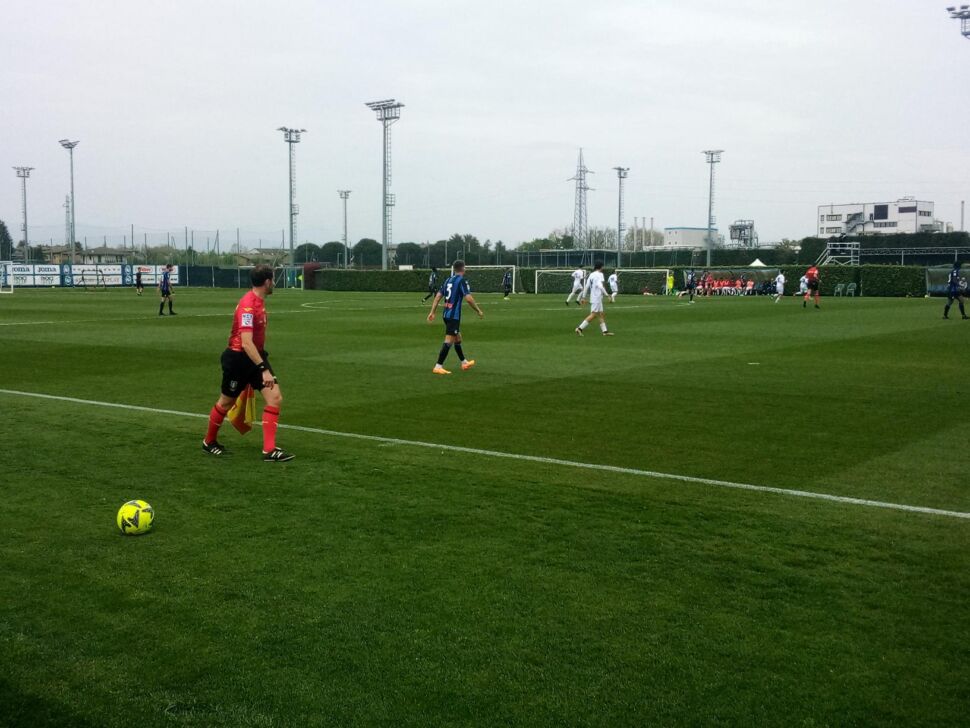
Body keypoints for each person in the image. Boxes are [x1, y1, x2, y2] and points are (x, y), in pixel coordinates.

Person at [202, 264, 294, 461]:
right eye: (274, 279)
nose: (274, 283)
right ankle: (209, 441)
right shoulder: (248, 305)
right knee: (226, 402)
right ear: (267, 282)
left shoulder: (259, 301)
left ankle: (269, 450)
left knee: (275, 397)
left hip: (256, 357)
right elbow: (245, 342)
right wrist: (263, 369)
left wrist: (261, 365)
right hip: (238, 359)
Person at [427, 260, 484, 374]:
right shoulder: (461, 281)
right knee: (448, 341)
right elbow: (468, 298)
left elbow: (438, 296)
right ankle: (438, 366)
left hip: (446, 314)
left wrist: (432, 312)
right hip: (453, 316)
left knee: (458, 338)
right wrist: (478, 310)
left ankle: (464, 362)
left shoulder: (448, 280)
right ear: (463, 268)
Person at [575, 261, 613, 336]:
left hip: (594, 297)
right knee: (593, 315)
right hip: (597, 297)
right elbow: (600, 286)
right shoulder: (600, 275)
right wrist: (607, 295)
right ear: (601, 267)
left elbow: (586, 286)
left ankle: (604, 331)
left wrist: (583, 297)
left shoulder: (592, 274)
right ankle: (579, 328)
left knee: (601, 314)